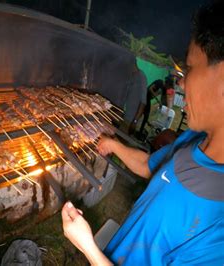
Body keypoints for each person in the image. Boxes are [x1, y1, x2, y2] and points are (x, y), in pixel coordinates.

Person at [61, 1, 224, 265]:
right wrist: (113, 146)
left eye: (190, 68)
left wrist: (89, 249)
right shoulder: (192, 141)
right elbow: (152, 167)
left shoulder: (219, 231)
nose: (181, 82)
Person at [124, 63, 147, 135]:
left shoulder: (141, 77)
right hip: (126, 115)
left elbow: (143, 102)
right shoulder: (132, 75)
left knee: (123, 139)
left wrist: (135, 121)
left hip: (132, 119)